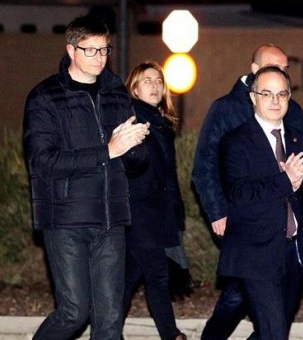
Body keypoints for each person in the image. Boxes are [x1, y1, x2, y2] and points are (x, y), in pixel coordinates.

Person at [22, 15, 150, 339]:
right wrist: (108, 149)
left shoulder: (116, 92)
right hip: (67, 219)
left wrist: (134, 146)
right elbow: (42, 162)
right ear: (71, 49)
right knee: (73, 312)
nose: (99, 57)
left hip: (111, 219)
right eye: (90, 50)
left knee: (109, 321)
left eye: (104, 49)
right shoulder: (45, 97)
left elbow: (134, 163)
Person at [193, 43, 303, 339]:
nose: (275, 100)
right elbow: (223, 181)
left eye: (282, 92)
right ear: (253, 94)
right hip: (252, 245)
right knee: (256, 318)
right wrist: (217, 211)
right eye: (267, 93)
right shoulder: (232, 129)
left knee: (274, 327)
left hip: (290, 248)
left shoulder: (296, 130)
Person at [122, 61, 188, 340]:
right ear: (134, 88)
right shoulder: (134, 119)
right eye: (147, 80)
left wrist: (176, 208)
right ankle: (171, 335)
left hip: (155, 214)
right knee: (157, 275)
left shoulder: (159, 122)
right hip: (140, 212)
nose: (154, 85)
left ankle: (107, 333)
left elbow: (167, 174)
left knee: (129, 278)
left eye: (158, 81)